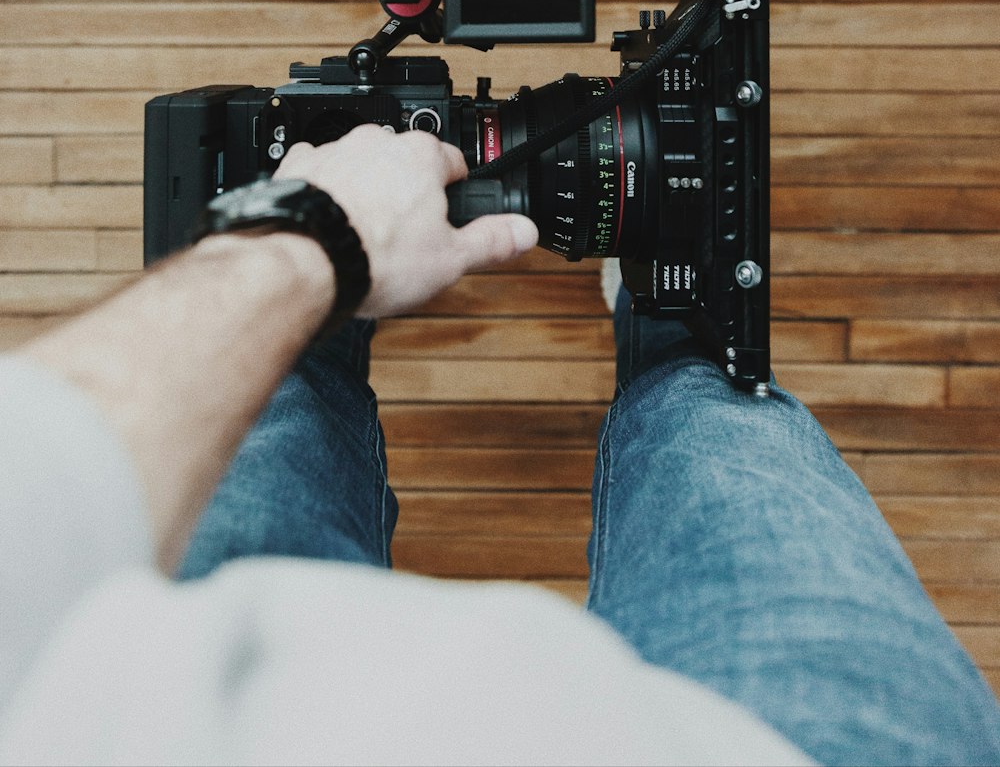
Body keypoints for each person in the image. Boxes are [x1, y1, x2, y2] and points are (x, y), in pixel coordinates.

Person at [0, 126, 997, 767]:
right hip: (792, 745)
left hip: (185, 704)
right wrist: (308, 238)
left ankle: (317, 337)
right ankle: (662, 320)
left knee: (272, 415)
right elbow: (43, 476)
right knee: (718, 421)